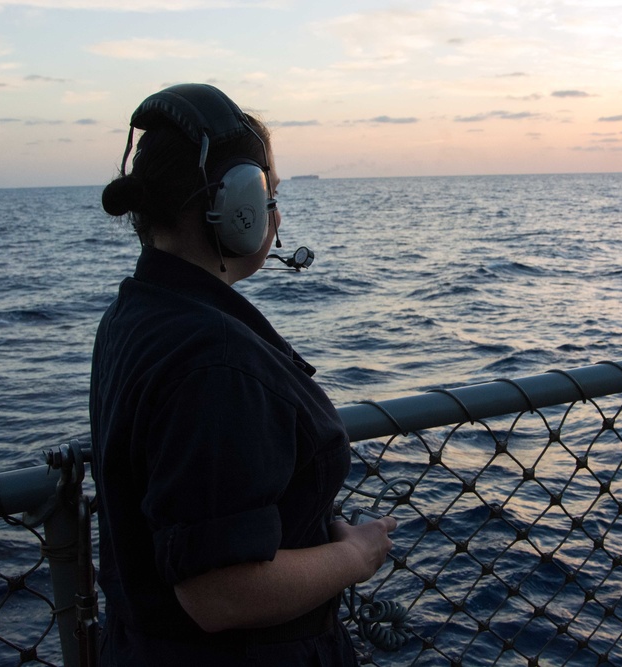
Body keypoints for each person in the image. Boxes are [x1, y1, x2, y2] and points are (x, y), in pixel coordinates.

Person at [90, 83, 396, 666]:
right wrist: (356, 555)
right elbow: (221, 593)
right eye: (271, 195)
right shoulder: (212, 359)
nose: (276, 217)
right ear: (237, 207)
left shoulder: (137, 313)